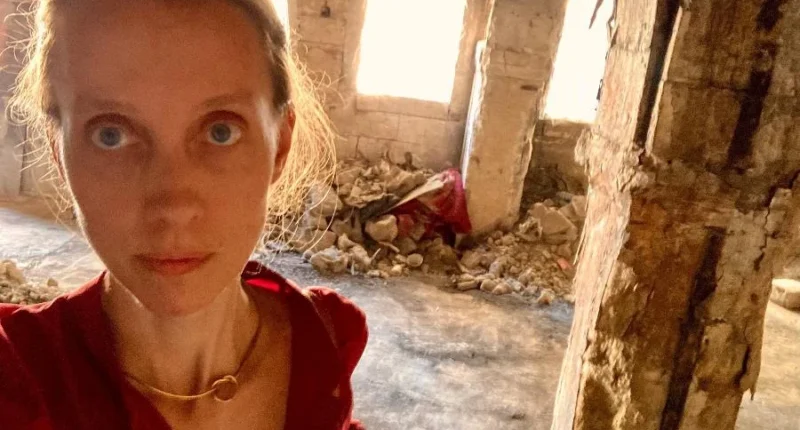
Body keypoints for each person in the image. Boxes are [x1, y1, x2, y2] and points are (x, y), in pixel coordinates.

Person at [0, 0, 368, 428]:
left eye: (220, 131)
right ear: (58, 154)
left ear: (280, 147)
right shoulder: (18, 380)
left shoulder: (321, 343)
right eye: (110, 134)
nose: (173, 208)